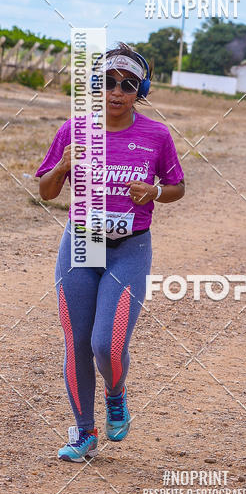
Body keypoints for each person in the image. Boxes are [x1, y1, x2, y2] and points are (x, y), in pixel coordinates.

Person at [36, 42, 185, 461]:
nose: (117, 92)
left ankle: (115, 393)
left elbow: (177, 187)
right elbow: (46, 191)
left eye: (128, 84)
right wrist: (63, 166)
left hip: (129, 249)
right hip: (79, 245)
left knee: (106, 344)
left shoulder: (156, 135)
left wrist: (155, 190)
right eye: (107, 83)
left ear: (142, 89)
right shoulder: (73, 131)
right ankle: (83, 432)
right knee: (76, 342)